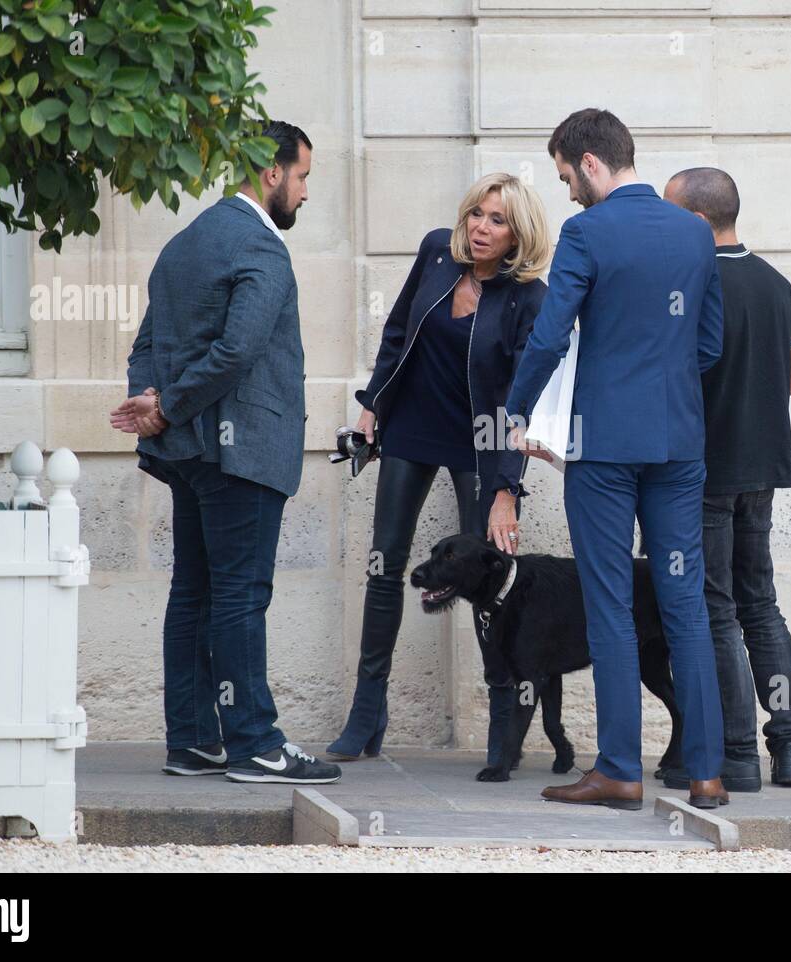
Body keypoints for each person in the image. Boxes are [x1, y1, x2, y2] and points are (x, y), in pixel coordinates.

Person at [506, 109, 729, 811]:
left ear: (591, 163)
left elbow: (547, 337)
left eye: (567, 175)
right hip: (678, 441)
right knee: (684, 602)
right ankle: (706, 773)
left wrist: (517, 410)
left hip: (603, 444)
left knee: (608, 604)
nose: (567, 190)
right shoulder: (694, 231)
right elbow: (709, 343)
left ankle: (620, 770)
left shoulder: (587, 232)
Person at [110, 121, 342, 785]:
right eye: (302, 178)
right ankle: (255, 744)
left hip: (188, 454)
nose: (303, 194)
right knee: (240, 595)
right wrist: (167, 406)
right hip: (239, 455)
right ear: (271, 174)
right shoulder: (261, 249)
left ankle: (192, 740)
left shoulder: (183, 244)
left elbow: (145, 347)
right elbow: (237, 353)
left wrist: (153, 403)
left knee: (196, 592)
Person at [326, 173, 551, 771]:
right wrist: (373, 401)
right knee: (384, 564)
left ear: (519, 233)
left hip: (482, 448)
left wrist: (506, 488)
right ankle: (367, 711)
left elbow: (522, 399)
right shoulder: (435, 252)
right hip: (414, 430)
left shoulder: (529, 297)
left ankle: (505, 726)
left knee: (490, 584)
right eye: (477, 213)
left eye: (497, 220)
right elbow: (398, 330)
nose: (481, 227)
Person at [664, 167, 791, 789]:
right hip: (763, 469)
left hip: (709, 472)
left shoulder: (693, 284)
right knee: (762, 606)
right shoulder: (778, 284)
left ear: (696, 221)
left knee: (716, 610)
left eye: (672, 214)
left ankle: (740, 757)